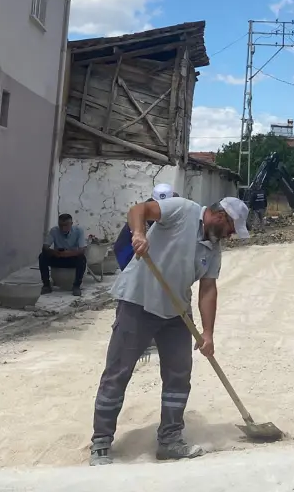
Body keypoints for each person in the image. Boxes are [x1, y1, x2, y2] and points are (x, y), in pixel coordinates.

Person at [90, 194, 250, 466]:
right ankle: (101, 442)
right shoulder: (182, 210)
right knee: (118, 372)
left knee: (179, 375)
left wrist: (208, 333)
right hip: (138, 301)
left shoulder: (213, 250)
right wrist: (139, 233)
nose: (230, 235)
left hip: (176, 312)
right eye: (231, 229)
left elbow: (208, 289)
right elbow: (138, 209)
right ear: (221, 217)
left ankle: (170, 440)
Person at [39, 213, 86, 296]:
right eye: (61, 225)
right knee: (42, 256)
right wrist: (54, 252)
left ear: (71, 224)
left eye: (66, 225)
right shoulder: (54, 230)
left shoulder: (79, 231)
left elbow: (82, 250)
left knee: (82, 258)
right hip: (58, 257)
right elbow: (45, 247)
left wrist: (68, 254)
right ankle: (46, 285)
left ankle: (76, 286)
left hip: (71, 258)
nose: (63, 228)